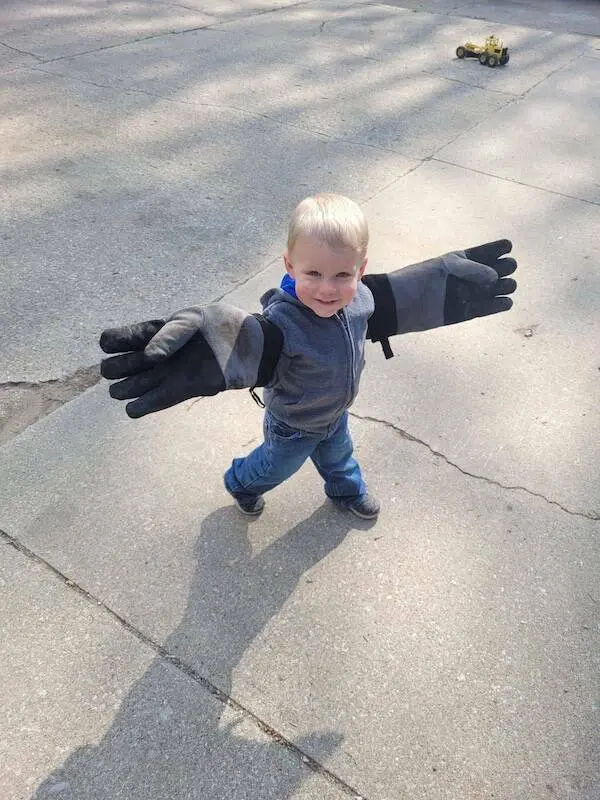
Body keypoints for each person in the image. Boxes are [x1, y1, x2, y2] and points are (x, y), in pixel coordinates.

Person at [224, 193, 379, 519]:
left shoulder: (362, 300)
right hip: (292, 424)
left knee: (340, 459)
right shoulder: (281, 322)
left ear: (361, 270)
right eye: (313, 274)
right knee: (273, 467)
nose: (328, 289)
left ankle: (347, 490)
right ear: (290, 267)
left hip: (335, 414)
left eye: (342, 275)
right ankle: (240, 482)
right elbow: (243, 352)